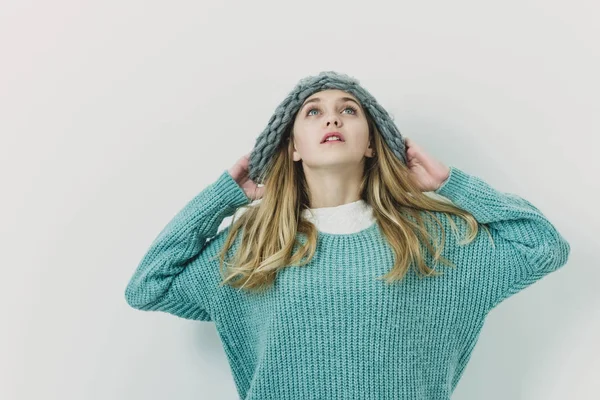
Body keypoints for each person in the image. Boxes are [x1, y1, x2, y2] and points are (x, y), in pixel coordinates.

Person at [124, 71, 571, 399]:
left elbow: (543, 246)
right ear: (293, 147)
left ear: (373, 143)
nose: (332, 120)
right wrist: (224, 195)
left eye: (349, 111)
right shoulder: (254, 247)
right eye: (314, 111)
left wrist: (450, 182)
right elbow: (148, 287)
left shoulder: (430, 239)